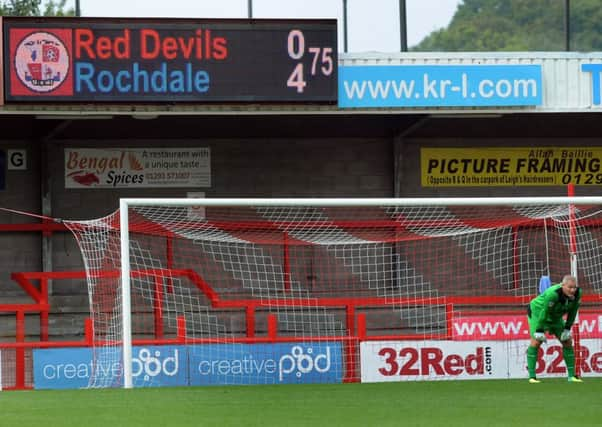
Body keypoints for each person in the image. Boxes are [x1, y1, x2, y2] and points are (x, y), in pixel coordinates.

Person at [526, 274, 583, 383]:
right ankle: (532, 377)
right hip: (538, 313)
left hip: (555, 316)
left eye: (574, 287)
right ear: (563, 285)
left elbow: (573, 311)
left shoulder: (578, 293)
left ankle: (571, 376)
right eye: (569, 287)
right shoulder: (553, 294)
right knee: (536, 341)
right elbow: (545, 312)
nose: (572, 290)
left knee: (567, 341)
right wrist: (539, 330)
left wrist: (567, 328)